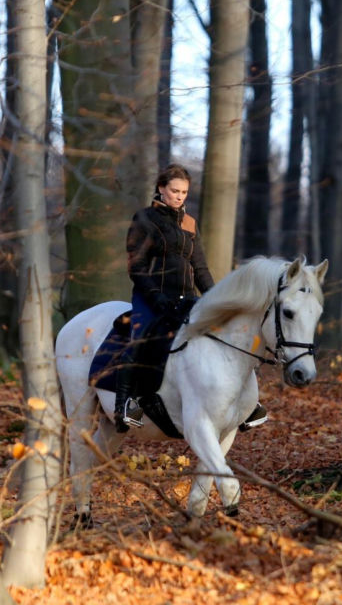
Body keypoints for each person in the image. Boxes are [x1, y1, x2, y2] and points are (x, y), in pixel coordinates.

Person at [115, 164, 268, 433]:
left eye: (184, 192)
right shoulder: (144, 218)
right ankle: (126, 404)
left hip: (187, 298)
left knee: (226, 333)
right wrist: (156, 297)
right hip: (151, 297)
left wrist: (216, 299)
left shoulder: (189, 223)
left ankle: (246, 405)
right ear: (161, 188)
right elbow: (136, 268)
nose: (179, 196)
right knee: (141, 339)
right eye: (174, 191)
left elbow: (200, 268)